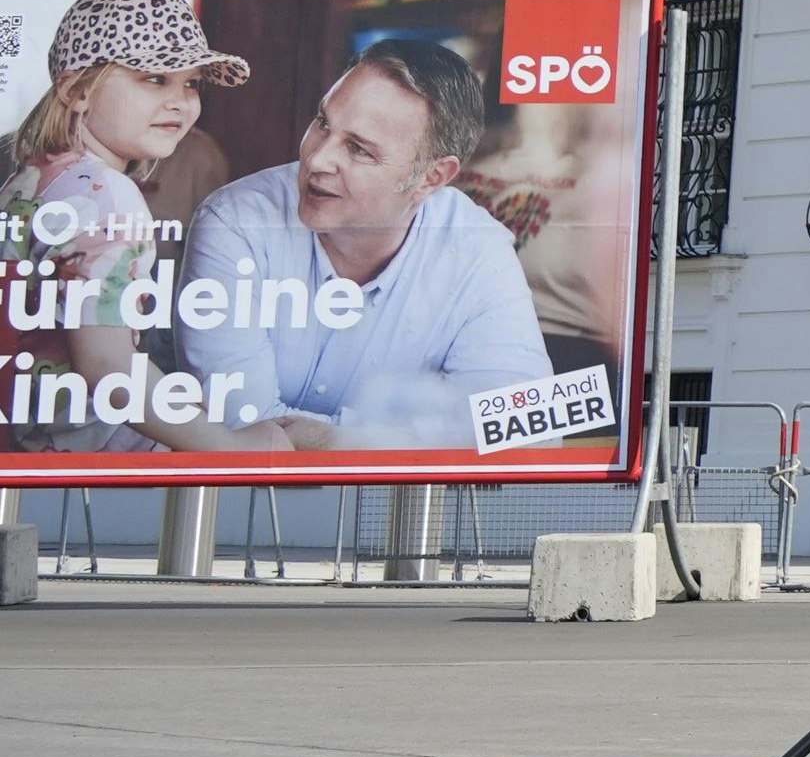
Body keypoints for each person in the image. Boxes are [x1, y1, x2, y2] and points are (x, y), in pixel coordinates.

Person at [183, 36, 552, 451]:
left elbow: (524, 427)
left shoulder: (477, 250)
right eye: (322, 123)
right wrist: (410, 437)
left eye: (358, 149)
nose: (317, 159)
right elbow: (240, 426)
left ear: (432, 177)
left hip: (396, 512)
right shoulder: (236, 222)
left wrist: (337, 439)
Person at [0, 0, 302, 454]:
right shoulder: (107, 196)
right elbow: (108, 366)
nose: (181, 102)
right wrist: (226, 446)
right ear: (77, 91)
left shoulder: (35, 175)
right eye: (156, 78)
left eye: (191, 83)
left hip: (29, 444)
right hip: (93, 460)